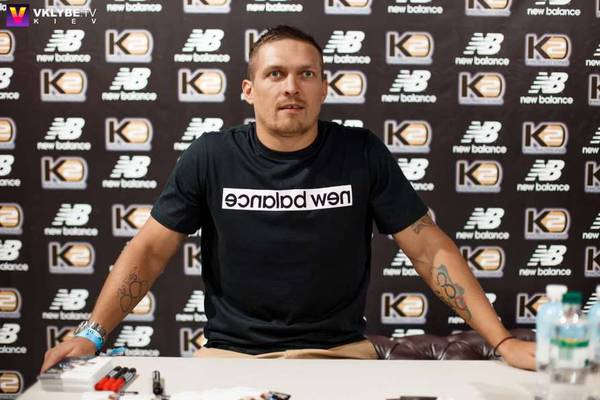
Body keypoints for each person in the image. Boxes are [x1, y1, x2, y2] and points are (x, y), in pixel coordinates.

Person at [41, 25, 535, 372]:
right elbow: (148, 251)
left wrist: (503, 341)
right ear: (248, 89)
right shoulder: (210, 156)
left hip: (340, 354)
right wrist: (91, 335)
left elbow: (428, 248)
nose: (291, 87)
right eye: (275, 74)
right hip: (230, 356)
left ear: (323, 88)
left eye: (306, 74)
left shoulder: (361, 153)